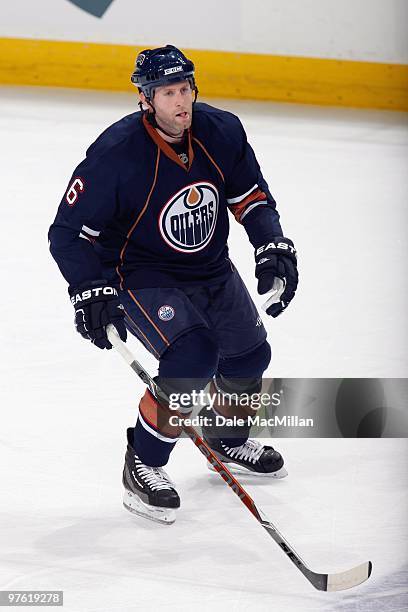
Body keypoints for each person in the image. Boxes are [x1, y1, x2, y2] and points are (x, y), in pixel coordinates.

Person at [49, 45, 298, 524]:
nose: (181, 102)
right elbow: (68, 232)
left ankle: (227, 439)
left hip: (211, 268)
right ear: (146, 99)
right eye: (168, 93)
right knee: (192, 357)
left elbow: (250, 196)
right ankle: (143, 461)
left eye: (185, 89)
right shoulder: (115, 154)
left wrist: (271, 243)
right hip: (141, 274)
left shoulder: (221, 130)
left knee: (250, 357)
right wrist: (88, 288)